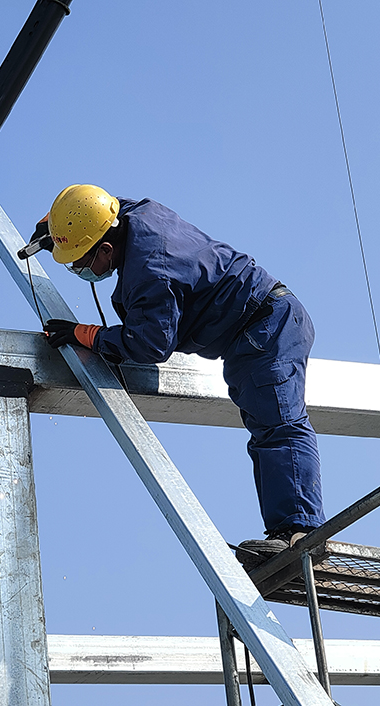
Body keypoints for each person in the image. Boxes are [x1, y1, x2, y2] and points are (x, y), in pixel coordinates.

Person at [34, 184, 325, 558]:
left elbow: (149, 344)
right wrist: (55, 226)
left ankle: (302, 536)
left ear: (106, 249)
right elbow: (104, 203)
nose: (79, 268)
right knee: (270, 427)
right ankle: (291, 528)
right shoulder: (139, 215)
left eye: (81, 261)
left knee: (277, 425)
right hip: (261, 322)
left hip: (263, 328)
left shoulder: (151, 274)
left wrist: (85, 334)